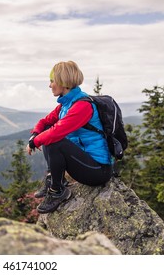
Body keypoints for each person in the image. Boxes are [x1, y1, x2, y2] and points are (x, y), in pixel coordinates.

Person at [26, 61, 113, 213]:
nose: (50, 85)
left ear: (63, 82)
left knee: (54, 141)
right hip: (85, 162)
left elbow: (56, 133)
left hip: (98, 170)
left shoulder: (82, 106)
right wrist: (34, 135)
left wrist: (34, 143)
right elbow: (45, 122)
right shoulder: (66, 104)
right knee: (47, 133)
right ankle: (54, 178)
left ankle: (57, 191)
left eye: (52, 81)